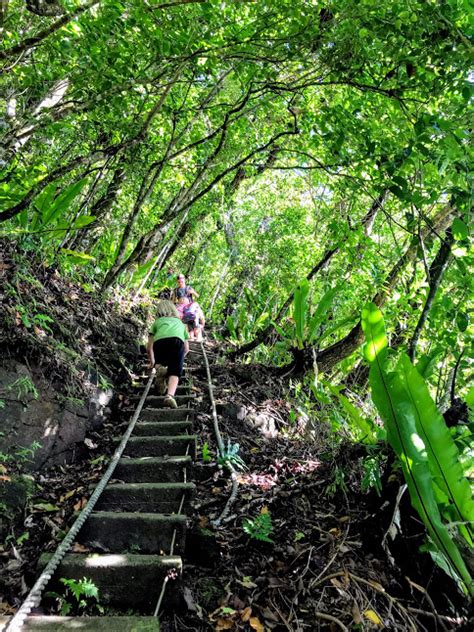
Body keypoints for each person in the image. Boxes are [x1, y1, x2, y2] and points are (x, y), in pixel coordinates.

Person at [147, 300, 189, 408]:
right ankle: (169, 396)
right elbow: (187, 349)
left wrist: (152, 363)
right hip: (177, 342)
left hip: (159, 342)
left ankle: (160, 368)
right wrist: (179, 359)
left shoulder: (157, 322)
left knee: (159, 362)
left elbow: (149, 347)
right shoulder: (180, 323)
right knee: (174, 371)